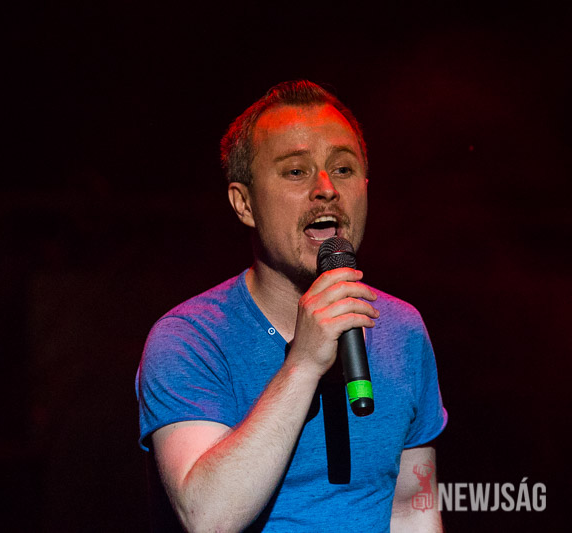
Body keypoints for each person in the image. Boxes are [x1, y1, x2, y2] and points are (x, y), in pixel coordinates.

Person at [135, 80, 448, 532]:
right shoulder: (189, 338)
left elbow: (410, 510)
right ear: (244, 204)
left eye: (343, 169)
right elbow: (208, 517)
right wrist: (303, 364)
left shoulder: (402, 328)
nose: (326, 189)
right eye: (297, 172)